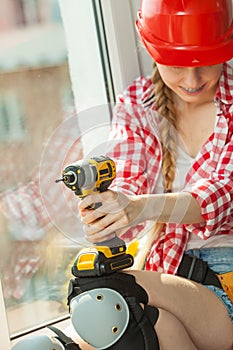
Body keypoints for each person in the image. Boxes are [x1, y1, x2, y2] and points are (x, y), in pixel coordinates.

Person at [76, 1, 233, 349]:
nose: (192, 81)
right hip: (168, 276)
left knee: (110, 294)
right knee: (145, 326)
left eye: (206, 61)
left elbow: (221, 196)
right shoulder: (136, 104)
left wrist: (140, 207)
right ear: (151, 50)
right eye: (177, 65)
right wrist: (110, 211)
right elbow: (126, 183)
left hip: (227, 283)